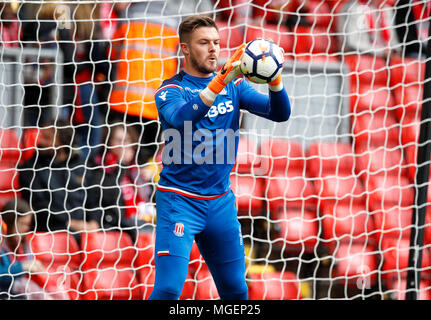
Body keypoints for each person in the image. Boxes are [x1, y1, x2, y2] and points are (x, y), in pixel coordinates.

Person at [149, 15, 291, 300]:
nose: (213, 49)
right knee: (167, 289)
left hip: (219, 204)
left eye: (216, 42)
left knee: (236, 291)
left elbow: (279, 113)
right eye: (204, 43)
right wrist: (222, 78)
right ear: (185, 48)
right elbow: (181, 118)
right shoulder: (170, 90)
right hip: (179, 201)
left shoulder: (235, 87)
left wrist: (274, 79)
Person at [107, 1, 181, 165]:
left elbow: (111, 53)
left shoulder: (128, 15)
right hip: (156, 103)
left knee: (122, 160)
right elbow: (182, 61)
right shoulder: (176, 19)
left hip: (125, 100)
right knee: (146, 161)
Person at [18, 119, 100, 237]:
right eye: (42, 136)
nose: (40, 141)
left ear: (62, 143)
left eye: (47, 138)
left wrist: (94, 223)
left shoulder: (81, 167)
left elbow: (93, 200)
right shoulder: (30, 168)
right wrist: (69, 222)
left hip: (83, 228)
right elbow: (39, 206)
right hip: (51, 229)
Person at [85, 122, 156, 243]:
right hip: (113, 224)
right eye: (119, 140)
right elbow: (108, 197)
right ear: (109, 142)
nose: (124, 145)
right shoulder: (99, 166)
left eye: (127, 140)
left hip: (141, 219)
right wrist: (121, 166)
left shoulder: (137, 167)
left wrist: (150, 179)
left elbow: (152, 198)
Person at [0, 198, 59, 300]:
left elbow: (30, 263)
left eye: (27, 224)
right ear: (9, 223)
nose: (25, 229)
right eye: (22, 224)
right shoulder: (1, 243)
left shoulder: (24, 243)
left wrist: (36, 268)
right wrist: (23, 267)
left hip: (22, 290)